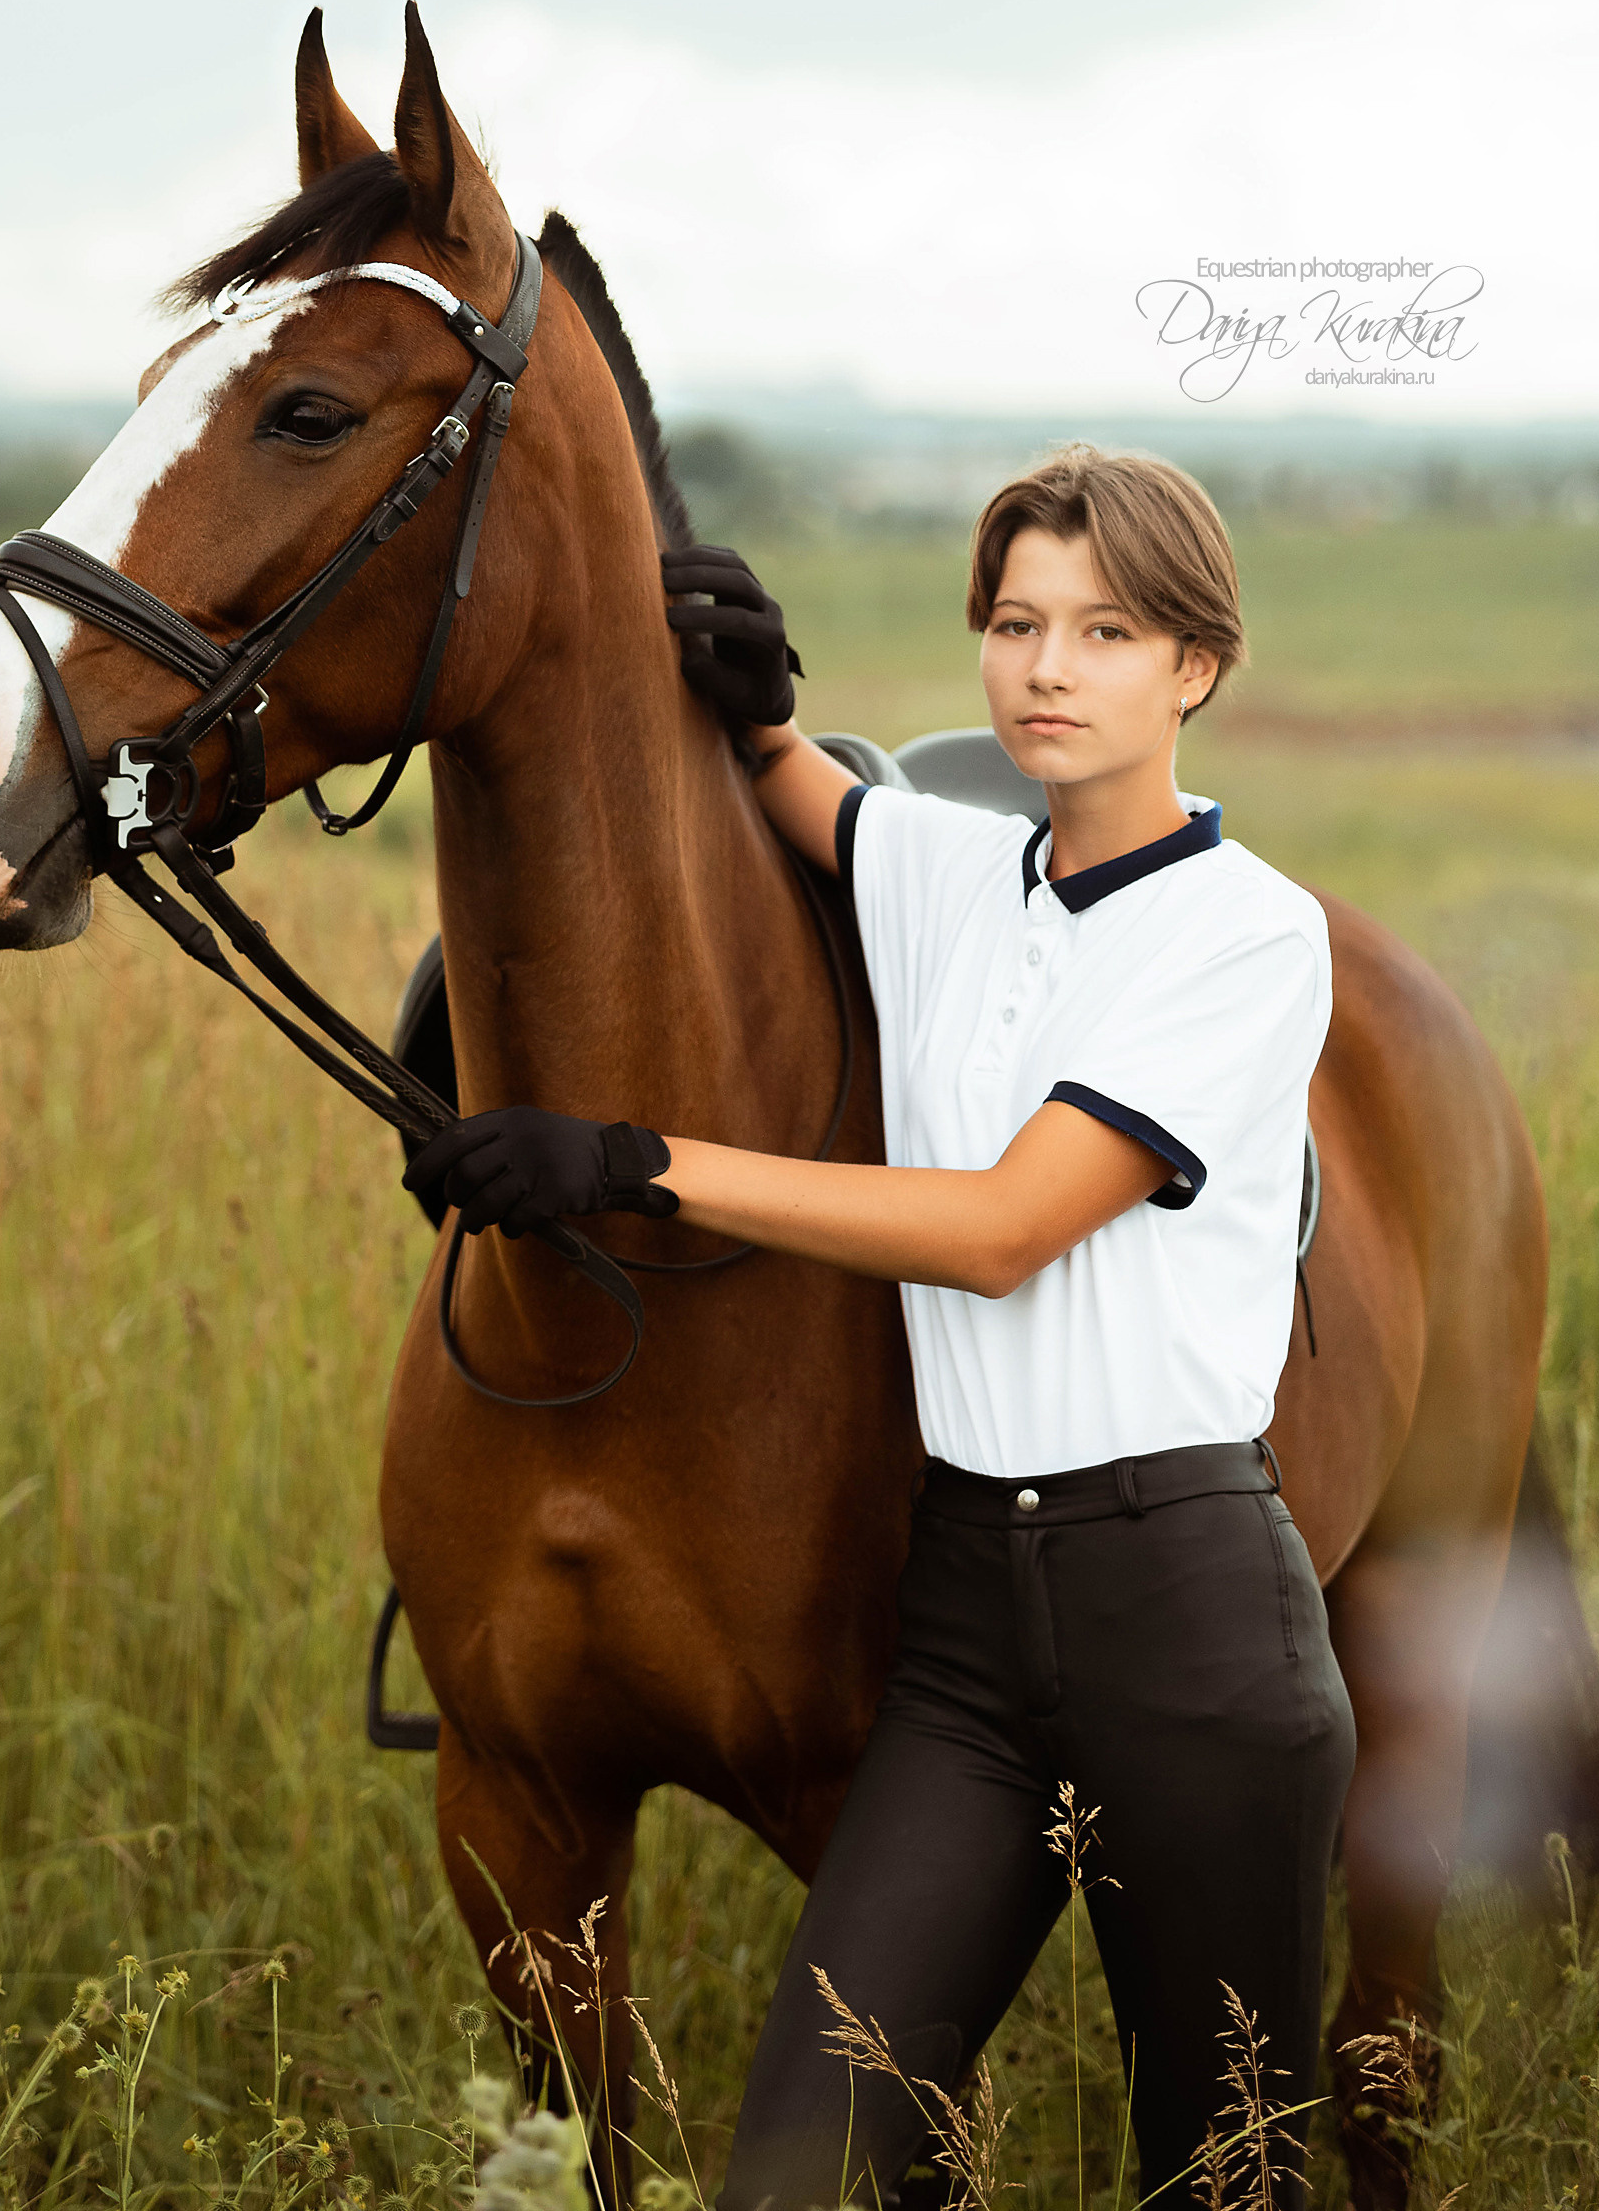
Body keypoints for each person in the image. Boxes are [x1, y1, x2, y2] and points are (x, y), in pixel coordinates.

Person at [407, 442, 1353, 2211]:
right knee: (801, 2175)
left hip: (1191, 1623)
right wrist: (749, 687)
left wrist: (631, 1163)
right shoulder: (942, 870)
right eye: (1014, 623)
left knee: (1225, 2182)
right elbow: (782, 787)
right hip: (966, 1641)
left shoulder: (1246, 936)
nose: (1048, 671)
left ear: (1195, 669)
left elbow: (1000, 1232)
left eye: (1107, 632)